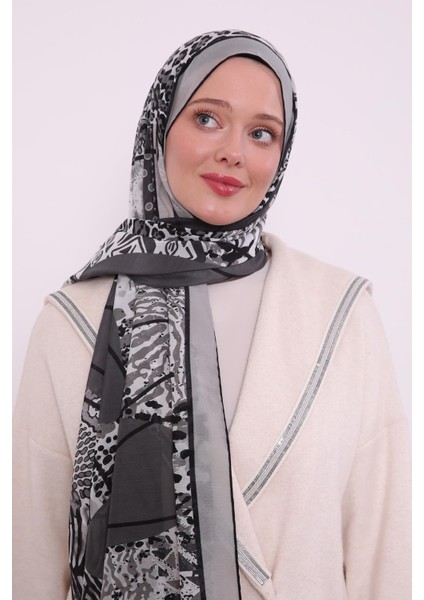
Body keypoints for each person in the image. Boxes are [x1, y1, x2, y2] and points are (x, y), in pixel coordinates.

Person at [12, 30, 410, 600]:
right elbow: (30, 564)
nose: (234, 152)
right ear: (160, 127)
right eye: (206, 118)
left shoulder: (342, 312)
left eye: (262, 132)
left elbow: (386, 553)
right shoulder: (72, 321)